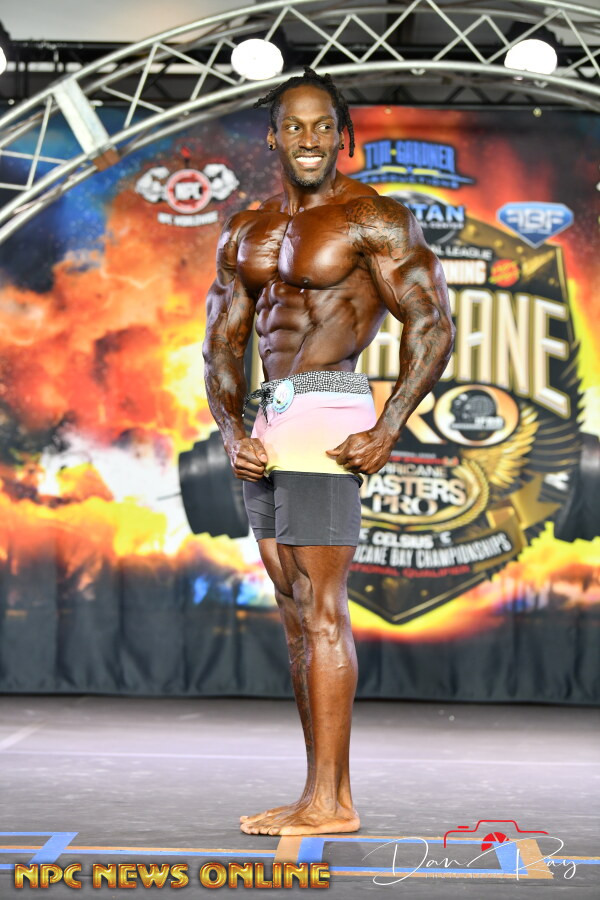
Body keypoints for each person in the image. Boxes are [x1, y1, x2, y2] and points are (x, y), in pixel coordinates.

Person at [202, 67, 454, 837]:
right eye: (294, 126)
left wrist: (389, 425)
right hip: (268, 419)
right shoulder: (245, 230)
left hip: (327, 405)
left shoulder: (372, 218)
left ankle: (332, 803)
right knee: (292, 612)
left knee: (320, 611)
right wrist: (232, 431)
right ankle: (321, 792)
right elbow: (222, 344)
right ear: (273, 137)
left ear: (342, 137)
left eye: (322, 126)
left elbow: (431, 322)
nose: (308, 139)